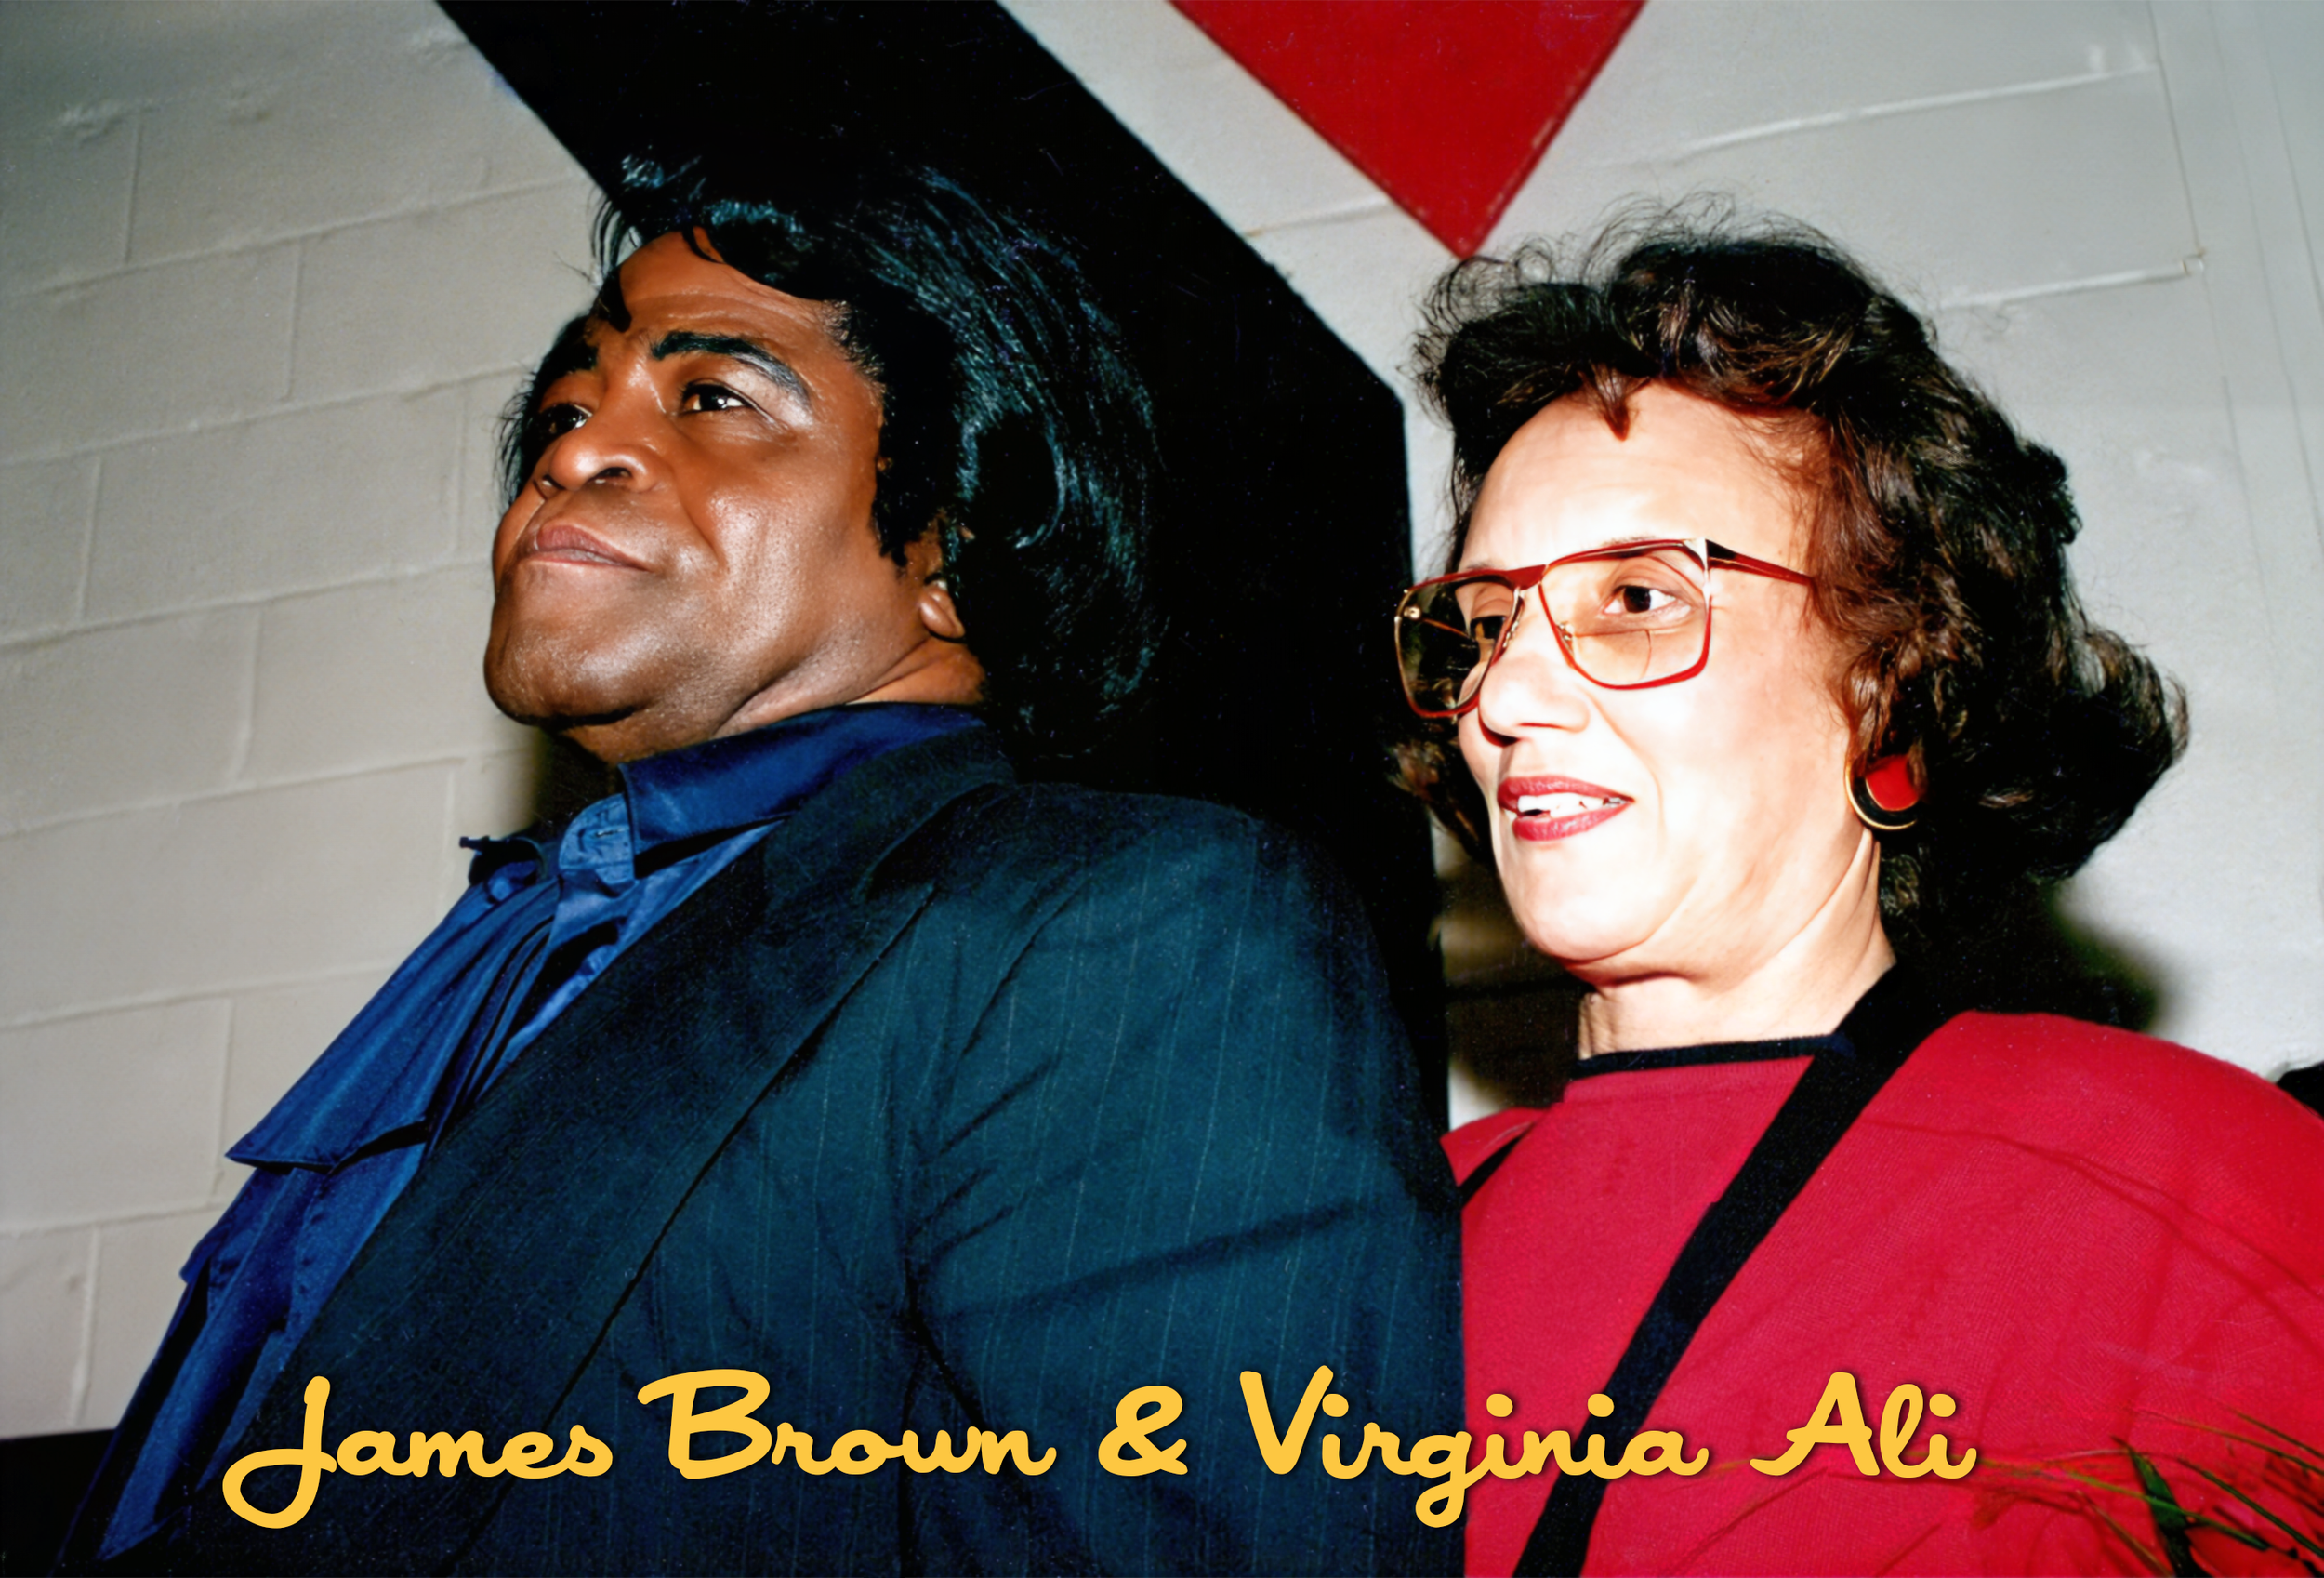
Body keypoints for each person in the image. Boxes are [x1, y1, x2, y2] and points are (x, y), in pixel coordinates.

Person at [60, 159, 1459, 1575]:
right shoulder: (509, 960)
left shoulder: (1134, 928)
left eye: (714, 396)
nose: (571, 450)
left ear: (952, 541)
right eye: (563, 408)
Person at [1392, 214, 2324, 1574]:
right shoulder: (1385, 1232)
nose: (1508, 696)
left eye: (1640, 597)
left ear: (1890, 684)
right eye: (1485, 622)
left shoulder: (2200, 1190)